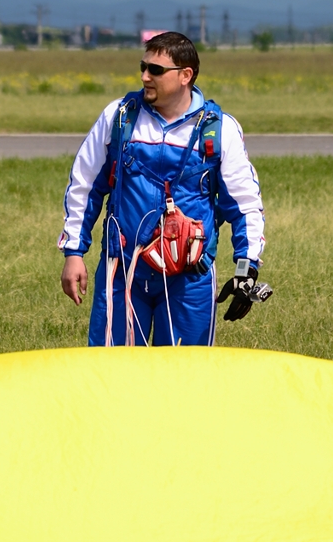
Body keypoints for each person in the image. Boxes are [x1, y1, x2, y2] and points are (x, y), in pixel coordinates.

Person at [58, 32, 265, 346]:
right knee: (114, 378)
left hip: (189, 278)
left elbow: (245, 205)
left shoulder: (219, 128)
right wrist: (74, 252)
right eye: (143, 67)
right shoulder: (119, 117)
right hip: (122, 271)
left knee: (184, 381)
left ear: (185, 75)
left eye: (155, 70)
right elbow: (84, 186)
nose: (144, 76)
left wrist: (245, 268)